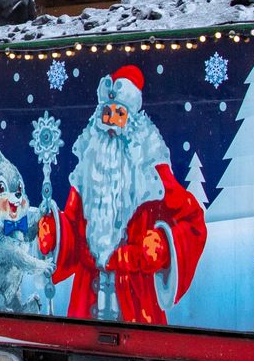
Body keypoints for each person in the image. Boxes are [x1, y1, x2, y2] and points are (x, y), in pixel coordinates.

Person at [36, 65, 207, 324]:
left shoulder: (153, 174)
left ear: (133, 120)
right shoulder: (88, 174)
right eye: (107, 113)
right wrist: (55, 234)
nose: (112, 123)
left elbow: (193, 222)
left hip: (138, 301)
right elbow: (73, 231)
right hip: (87, 300)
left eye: (119, 113)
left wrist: (163, 245)